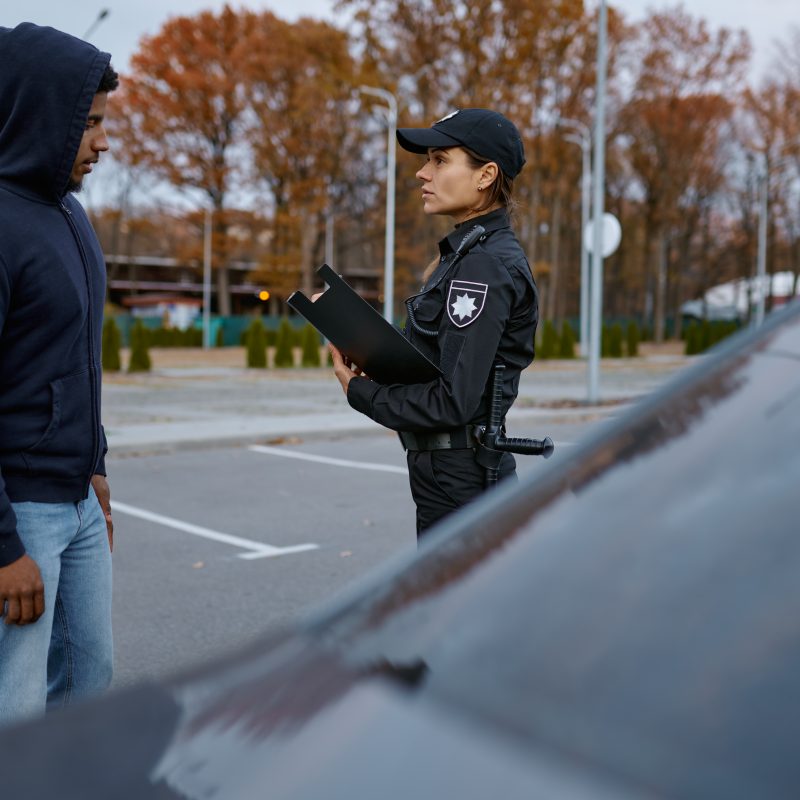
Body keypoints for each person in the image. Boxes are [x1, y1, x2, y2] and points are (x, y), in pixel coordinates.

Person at [328, 108, 539, 536]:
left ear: (485, 175)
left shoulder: (484, 266)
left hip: (463, 482)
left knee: (462, 603)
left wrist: (361, 391)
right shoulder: (467, 255)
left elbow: (453, 401)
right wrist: (375, 357)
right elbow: (437, 366)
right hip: (450, 476)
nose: (423, 173)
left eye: (440, 160)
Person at [0, 22, 118, 725]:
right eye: (91, 124)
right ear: (43, 116)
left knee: (89, 678)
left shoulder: (71, 216)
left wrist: (94, 463)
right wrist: (4, 545)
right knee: (15, 707)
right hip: (22, 514)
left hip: (76, 501)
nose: (102, 141)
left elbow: (78, 357)